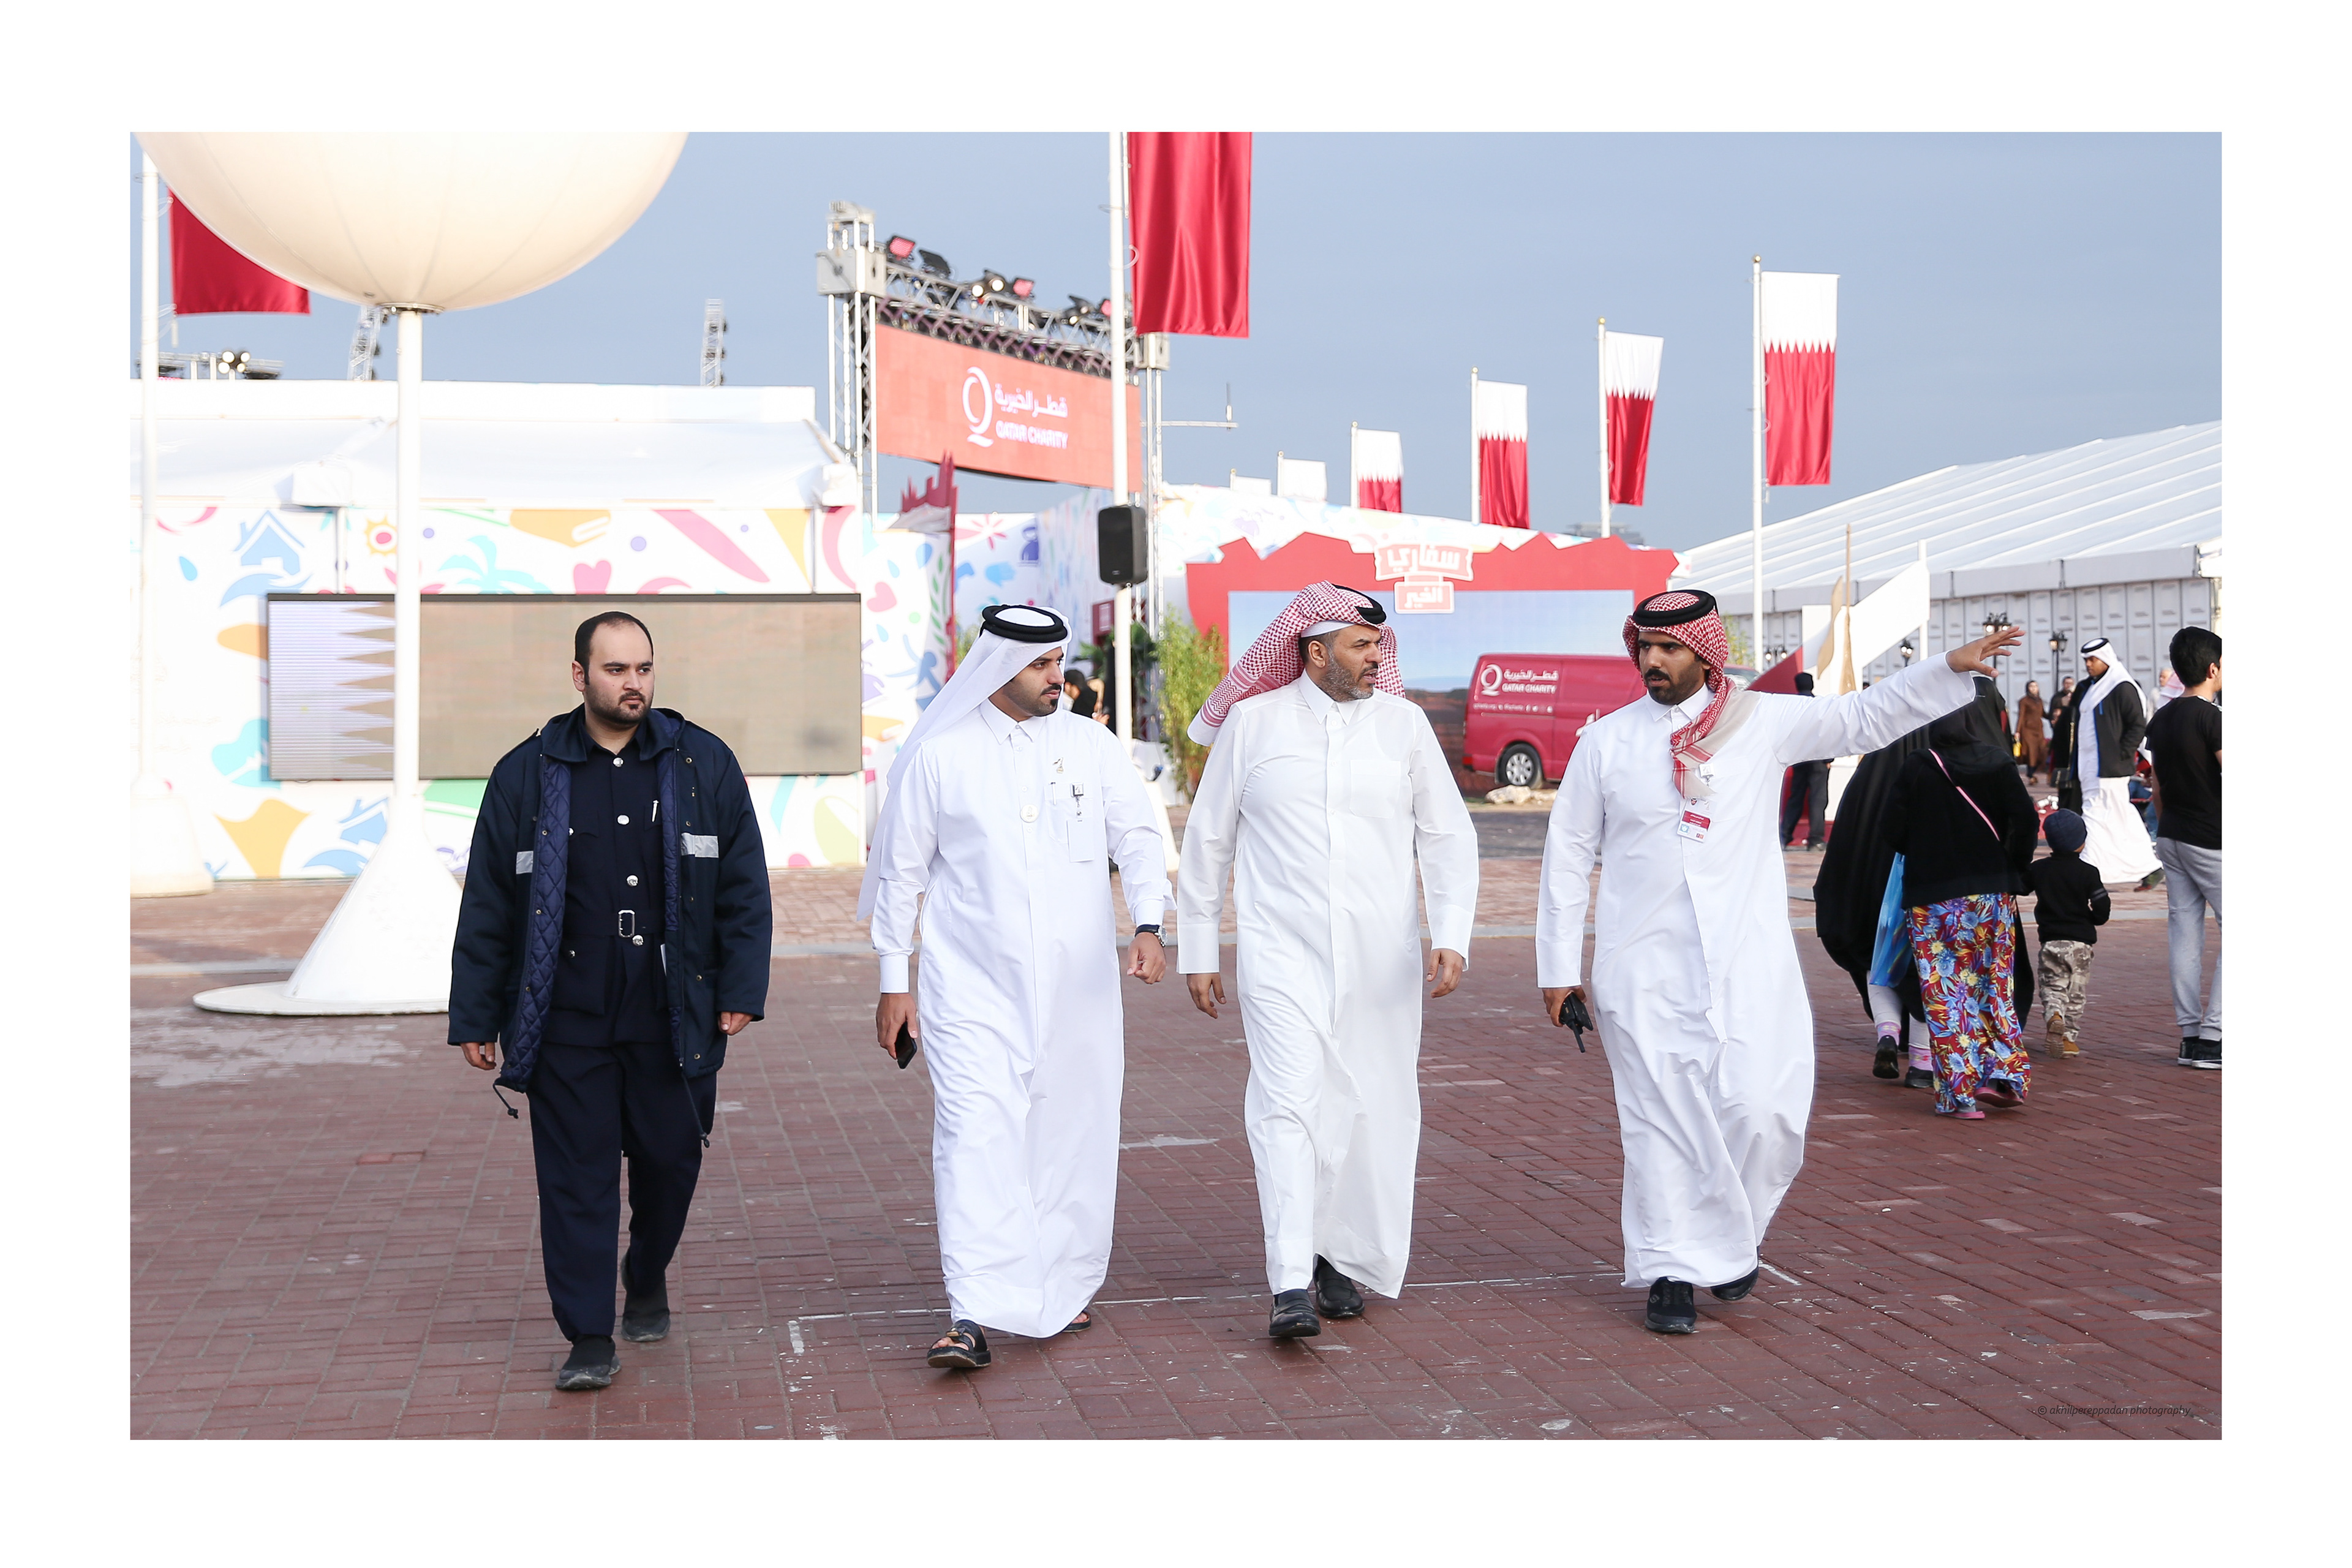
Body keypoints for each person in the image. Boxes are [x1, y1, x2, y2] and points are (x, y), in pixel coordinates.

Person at [1536, 589, 2018, 1335]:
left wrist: (1945, 669)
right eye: (1644, 647)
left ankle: (1732, 1240)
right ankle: (1670, 1272)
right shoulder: (1607, 742)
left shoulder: (1759, 721)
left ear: (1704, 651)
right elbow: (1568, 854)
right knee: (1662, 1125)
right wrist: (1558, 967)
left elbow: (1860, 718)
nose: (1652, 661)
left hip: (1747, 961)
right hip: (1642, 968)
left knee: (1764, 1114)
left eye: (1668, 648)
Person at [450, 611, 772, 1392]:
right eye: (616, 669)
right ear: (579, 675)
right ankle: (589, 1333)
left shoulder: (703, 763)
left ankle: (647, 1268)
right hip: (565, 1012)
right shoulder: (525, 773)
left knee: (670, 1160)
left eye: (644, 669)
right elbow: (488, 901)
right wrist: (475, 1013)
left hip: (672, 1008)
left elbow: (743, 886)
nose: (634, 684)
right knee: (575, 1175)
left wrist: (741, 988)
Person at [864, 604, 1170, 1371]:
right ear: (998, 666)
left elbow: (1138, 834)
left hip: (1080, 990)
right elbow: (901, 874)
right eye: (1040, 665)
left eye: (1058, 661)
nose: (1055, 677)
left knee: (1073, 1134)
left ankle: (1059, 1288)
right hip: (971, 987)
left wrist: (1149, 923)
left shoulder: (1090, 744)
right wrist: (894, 980)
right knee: (974, 1136)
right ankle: (972, 1310)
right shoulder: (942, 756)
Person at [1177, 582, 1479, 1340]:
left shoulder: (1404, 726)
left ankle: (1338, 1257)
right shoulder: (1254, 723)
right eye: (1361, 645)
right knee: (1287, 1105)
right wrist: (1198, 947)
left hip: (1382, 963)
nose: (1377, 656)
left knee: (1371, 1106)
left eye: (1380, 645)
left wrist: (1451, 932)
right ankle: (1289, 1281)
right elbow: (1209, 840)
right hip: (1282, 956)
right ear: (1315, 653)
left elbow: (1447, 834)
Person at [1880, 680, 2041, 1116]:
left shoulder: (1918, 766)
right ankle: (2004, 1075)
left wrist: (1925, 847)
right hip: (1991, 895)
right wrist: (2013, 863)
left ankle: (1961, 1096)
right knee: (1995, 986)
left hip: (1932, 899)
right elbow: (2026, 820)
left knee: (1947, 995)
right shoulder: (1997, 761)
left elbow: (1891, 830)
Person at [2145, 627, 2222, 1069]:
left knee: (2185, 932)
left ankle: (2191, 1036)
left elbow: (2156, 788)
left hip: (2172, 835)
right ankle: (2214, 1037)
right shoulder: (2215, 718)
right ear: (2213, 669)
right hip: (2212, 838)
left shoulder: (2163, 716)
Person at [2051, 639, 2159, 887]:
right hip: (2088, 766)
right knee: (2116, 815)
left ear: (2106, 659)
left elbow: (2137, 726)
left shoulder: (2122, 687)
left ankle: (2093, 867)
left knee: (2098, 814)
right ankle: (2148, 866)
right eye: (2086, 660)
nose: (2088, 665)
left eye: (2093, 660)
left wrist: (2121, 754)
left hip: (2111, 768)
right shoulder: (2087, 688)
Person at [2023, 808, 2110, 1059]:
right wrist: (2095, 919)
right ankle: (2068, 1038)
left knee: (2052, 985)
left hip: (2051, 940)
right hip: (2080, 943)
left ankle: (2054, 1014)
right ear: (2082, 842)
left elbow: (2020, 887)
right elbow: (2102, 906)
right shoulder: (2088, 872)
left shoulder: (2039, 869)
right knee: (2076, 992)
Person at [1778, 672, 1829, 851]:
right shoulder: (1818, 705)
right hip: (1818, 759)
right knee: (1818, 799)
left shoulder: (1792, 706)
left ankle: (1784, 836)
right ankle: (1815, 839)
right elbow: (1825, 732)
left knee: (1796, 797)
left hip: (1799, 758)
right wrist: (1828, 758)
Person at [2017, 679, 2049, 781]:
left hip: (2038, 730)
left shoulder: (2040, 700)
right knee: (2031, 752)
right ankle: (2030, 774)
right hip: (2028, 730)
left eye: (2035, 686)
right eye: (2031, 687)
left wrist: (2053, 717)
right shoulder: (2024, 701)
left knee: (2041, 750)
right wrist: (2018, 731)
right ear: (2028, 689)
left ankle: (2034, 772)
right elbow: (2021, 716)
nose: (2034, 689)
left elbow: (2043, 714)